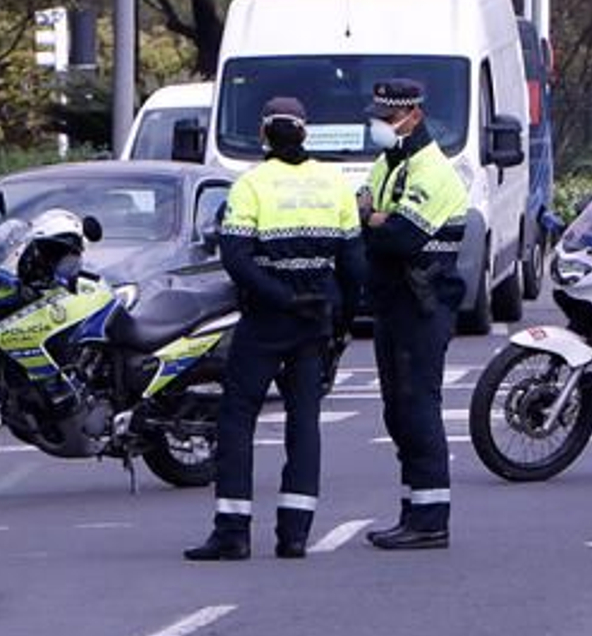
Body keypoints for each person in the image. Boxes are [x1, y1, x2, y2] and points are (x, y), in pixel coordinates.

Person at [184, 97, 363, 561]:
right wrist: (339, 322)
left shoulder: (251, 186)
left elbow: (237, 258)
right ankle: (295, 533)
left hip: (267, 318)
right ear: (305, 133)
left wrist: (280, 297)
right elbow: (353, 264)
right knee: (303, 422)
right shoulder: (334, 184)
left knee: (238, 417)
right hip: (315, 322)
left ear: (264, 135)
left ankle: (233, 531)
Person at [358, 79, 470, 550]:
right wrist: (373, 218)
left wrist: (377, 221)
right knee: (397, 411)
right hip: (393, 302)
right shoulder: (389, 164)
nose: (380, 126)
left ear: (413, 116)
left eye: (387, 119)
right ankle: (413, 508)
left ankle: (431, 520)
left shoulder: (432, 172)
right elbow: (360, 210)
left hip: (424, 306)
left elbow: (401, 237)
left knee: (418, 408)